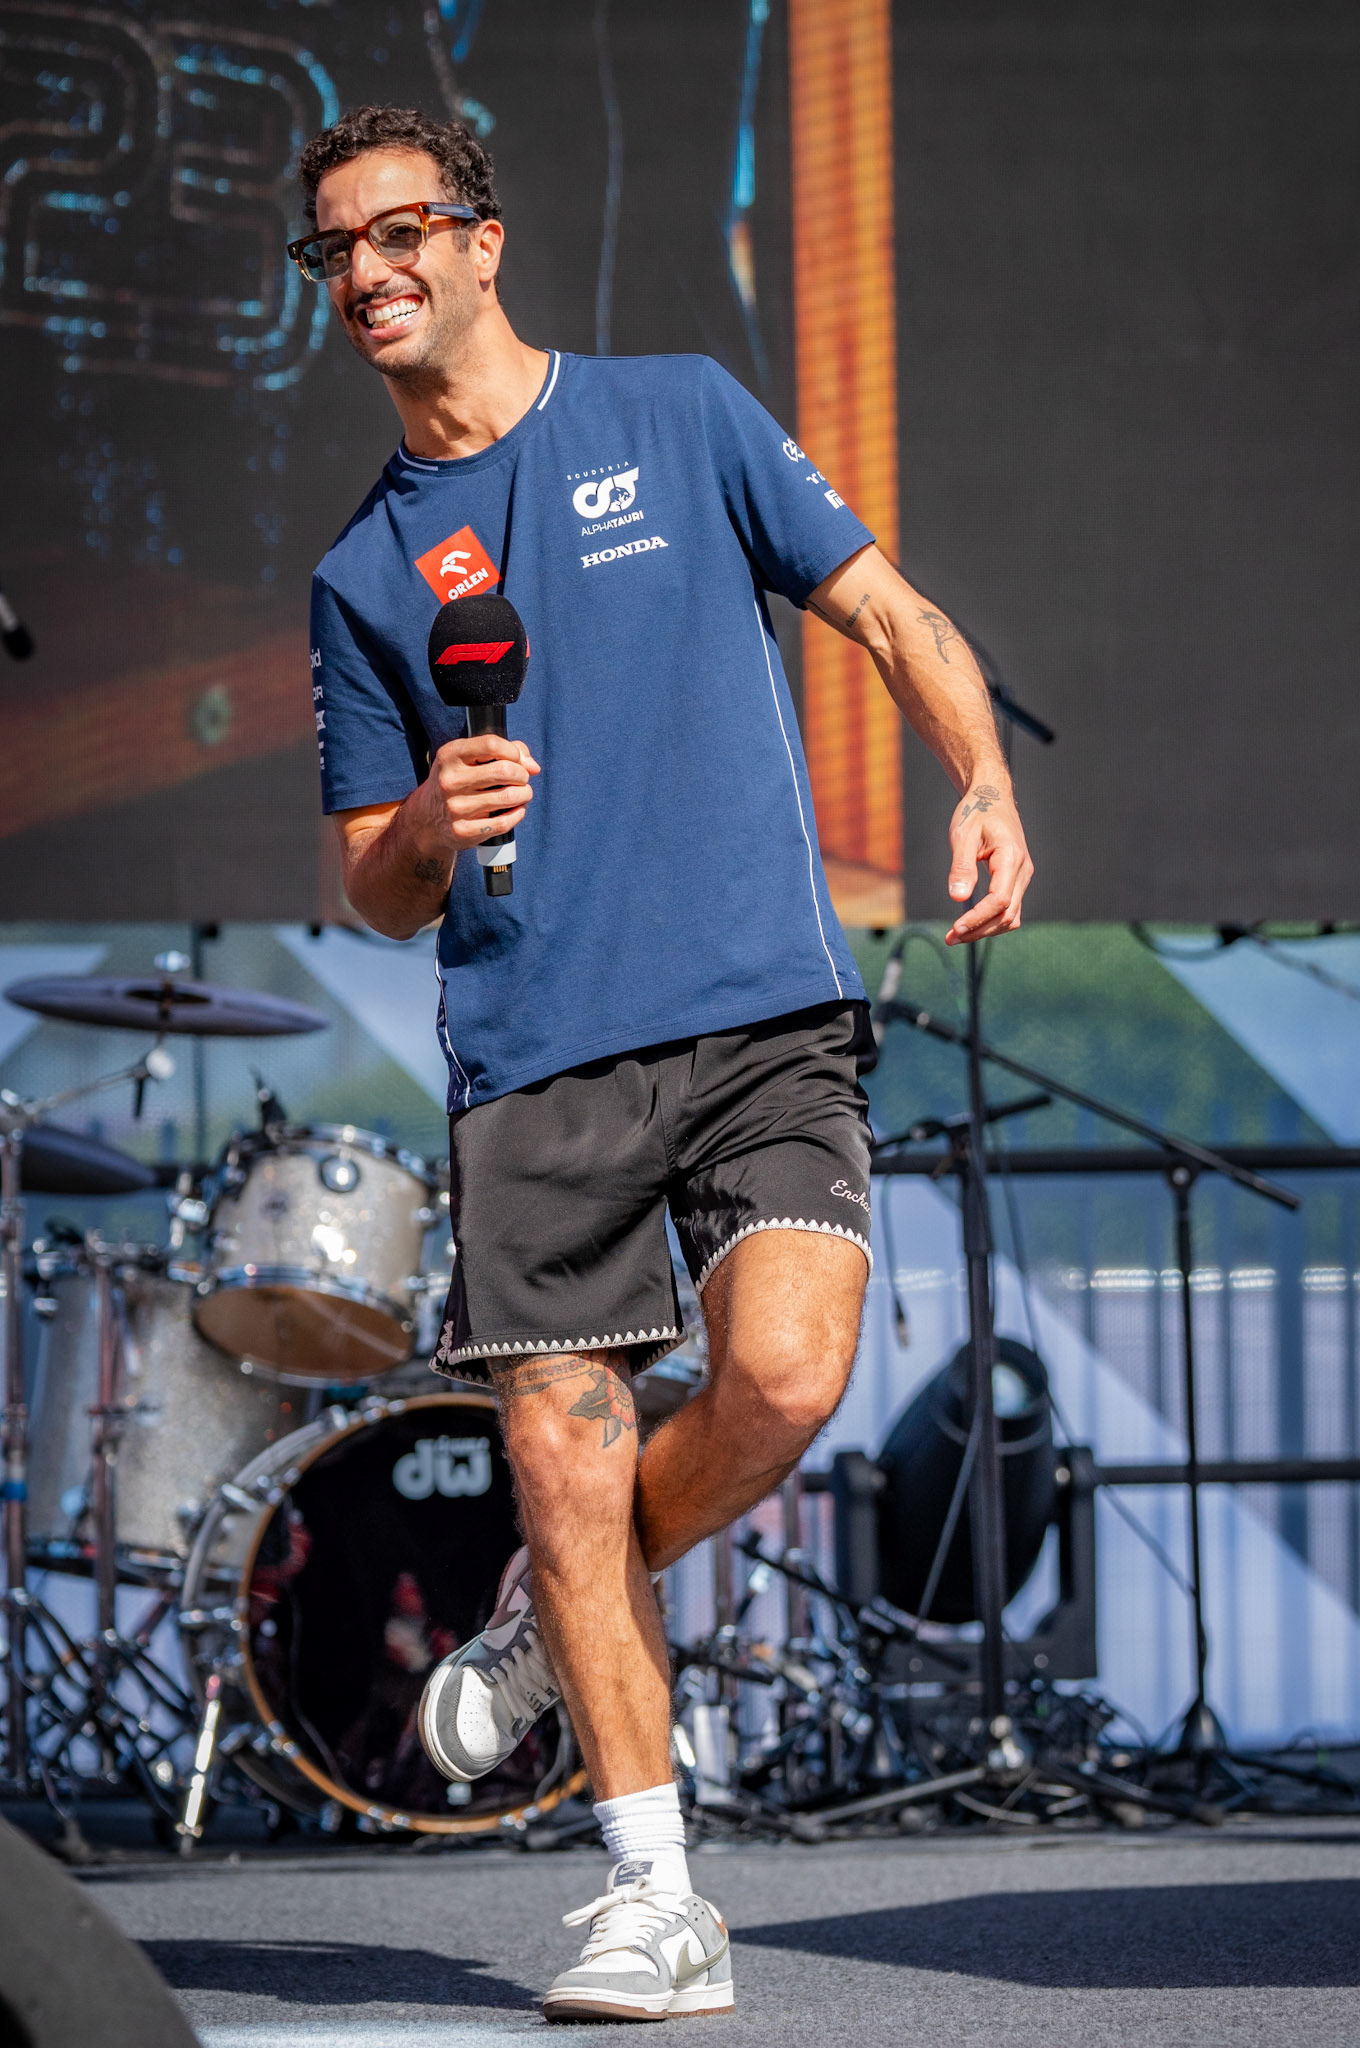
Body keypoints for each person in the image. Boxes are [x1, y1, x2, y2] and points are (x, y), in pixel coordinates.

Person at [293, 103, 1032, 2023]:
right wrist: (429, 827)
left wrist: (979, 775)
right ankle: (653, 1892)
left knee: (784, 1375)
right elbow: (369, 880)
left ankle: (558, 1604)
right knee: (563, 1445)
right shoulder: (365, 571)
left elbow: (885, 607)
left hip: (762, 1012)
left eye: (397, 233)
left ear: (483, 241)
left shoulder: (681, 411)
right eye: (335, 252)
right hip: (535, 1054)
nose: (366, 272)